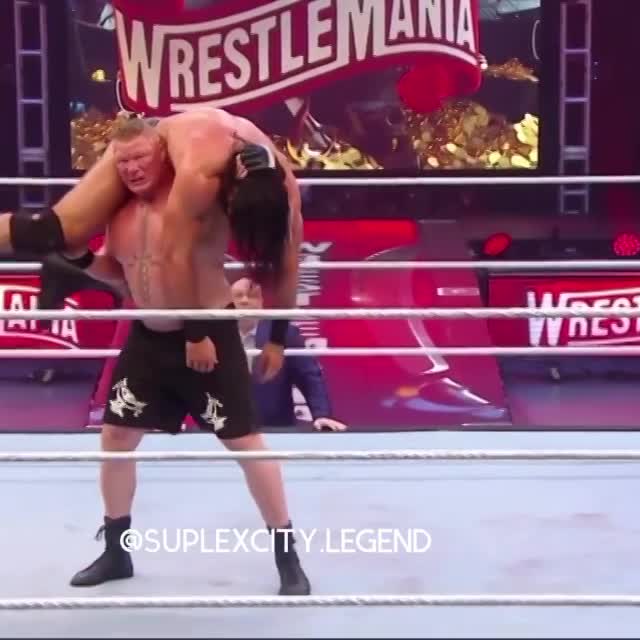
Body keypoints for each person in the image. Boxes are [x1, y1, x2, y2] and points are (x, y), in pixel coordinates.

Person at [56, 110, 310, 596]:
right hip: (149, 336)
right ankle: (116, 551)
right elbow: (120, 274)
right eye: (122, 161)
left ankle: (288, 557)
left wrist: (269, 336)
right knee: (116, 436)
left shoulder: (197, 196)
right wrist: (80, 258)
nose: (131, 169)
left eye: (139, 158)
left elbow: (277, 246)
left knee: (243, 442)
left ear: (162, 152)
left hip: (209, 331)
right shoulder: (119, 212)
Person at [231, 277, 347, 431]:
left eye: (252, 296)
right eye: (238, 296)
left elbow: (309, 376)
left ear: (261, 302)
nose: (245, 301)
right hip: (225, 428)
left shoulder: (284, 334)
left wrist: (321, 415)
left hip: (276, 429)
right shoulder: (215, 337)